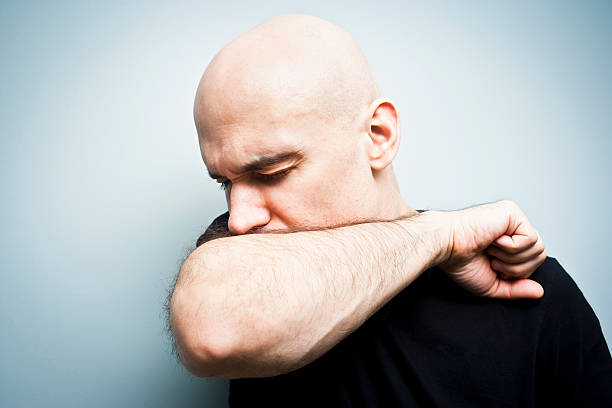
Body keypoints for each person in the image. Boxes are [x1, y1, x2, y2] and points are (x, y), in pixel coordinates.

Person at [169, 14, 612, 406]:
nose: (240, 218)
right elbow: (214, 331)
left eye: (272, 172)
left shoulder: (531, 296)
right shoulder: (240, 257)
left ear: (378, 136)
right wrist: (441, 235)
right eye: (225, 182)